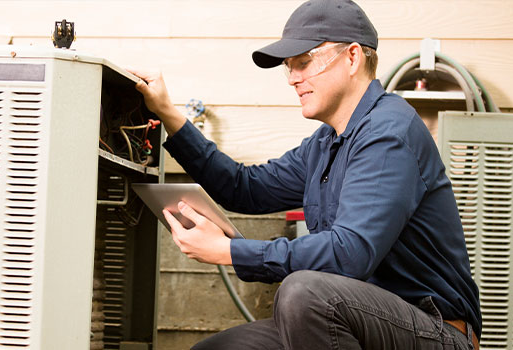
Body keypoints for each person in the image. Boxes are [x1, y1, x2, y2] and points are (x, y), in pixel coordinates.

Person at [129, 0, 481, 348]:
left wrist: (230, 251)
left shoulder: (389, 133)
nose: (293, 79)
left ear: (353, 57)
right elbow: (244, 188)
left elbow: (351, 253)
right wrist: (168, 115)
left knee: (304, 292)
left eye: (304, 63)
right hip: (358, 318)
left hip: (435, 331)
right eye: (289, 67)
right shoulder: (326, 143)